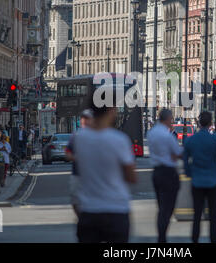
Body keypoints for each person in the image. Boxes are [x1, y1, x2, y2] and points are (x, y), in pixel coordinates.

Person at [72, 98, 137, 243]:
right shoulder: (119, 139)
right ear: (111, 110)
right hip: (116, 209)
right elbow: (132, 177)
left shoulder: (79, 139)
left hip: (89, 209)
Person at [183, 111, 216, 243]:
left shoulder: (191, 140)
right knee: (213, 217)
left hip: (197, 181)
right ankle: (214, 240)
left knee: (197, 215)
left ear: (199, 123)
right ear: (211, 123)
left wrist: (190, 173)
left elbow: (185, 161)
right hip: (213, 180)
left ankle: (194, 240)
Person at [147, 109, 183, 243]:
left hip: (157, 172)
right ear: (167, 119)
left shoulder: (151, 133)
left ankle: (161, 236)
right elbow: (178, 153)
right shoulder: (167, 136)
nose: (172, 122)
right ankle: (162, 237)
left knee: (161, 206)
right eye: (171, 119)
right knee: (167, 208)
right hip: (168, 172)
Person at [65, 109, 94, 217]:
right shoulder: (76, 136)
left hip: (93, 175)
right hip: (77, 173)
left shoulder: (98, 136)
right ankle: (81, 218)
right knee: (75, 199)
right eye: (83, 119)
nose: (84, 121)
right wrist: (77, 158)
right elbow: (68, 153)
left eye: (87, 119)